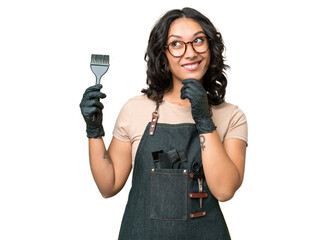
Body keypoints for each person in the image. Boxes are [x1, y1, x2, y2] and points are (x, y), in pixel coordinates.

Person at [80, 7, 248, 239]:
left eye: (198, 41)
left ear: (210, 47)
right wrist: (93, 131)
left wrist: (204, 119)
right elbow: (108, 186)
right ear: (163, 55)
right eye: (177, 44)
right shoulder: (136, 109)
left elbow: (224, 190)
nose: (190, 53)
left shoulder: (231, 116)